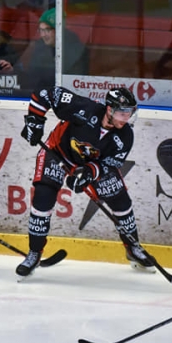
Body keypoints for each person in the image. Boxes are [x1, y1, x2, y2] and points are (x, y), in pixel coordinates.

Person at [17, 86, 154, 278]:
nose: (126, 118)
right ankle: (34, 253)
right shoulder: (83, 108)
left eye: (129, 113)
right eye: (121, 113)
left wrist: (87, 174)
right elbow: (45, 94)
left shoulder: (125, 136)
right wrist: (35, 122)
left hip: (90, 164)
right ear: (109, 109)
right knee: (43, 197)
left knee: (121, 201)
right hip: (57, 152)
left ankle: (133, 248)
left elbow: (108, 164)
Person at [17, 8, 90, 91]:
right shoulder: (40, 46)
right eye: (41, 30)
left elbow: (72, 81)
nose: (43, 35)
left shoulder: (75, 48)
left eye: (47, 30)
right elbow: (32, 76)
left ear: (59, 29)